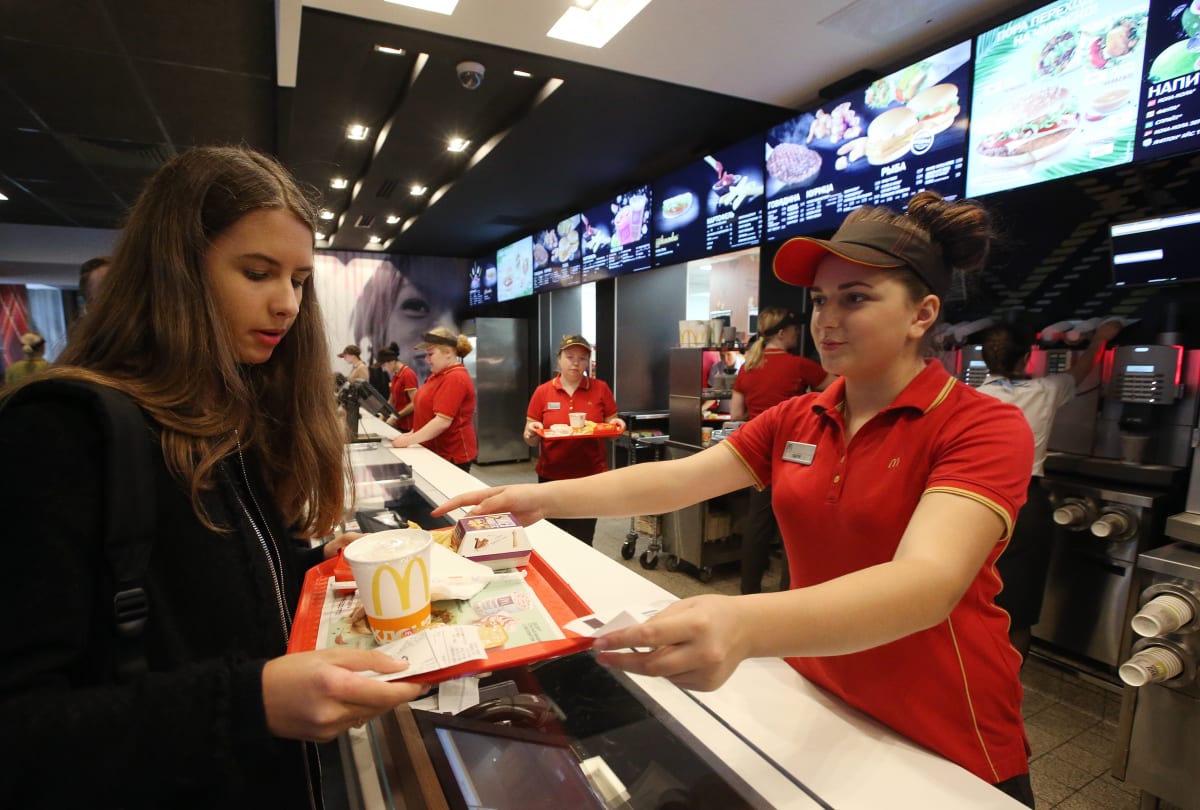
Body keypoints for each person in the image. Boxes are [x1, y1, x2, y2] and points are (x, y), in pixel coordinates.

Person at [434, 191, 1037, 806]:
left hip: (944, 730)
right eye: (822, 300)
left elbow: (927, 583)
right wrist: (542, 498)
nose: (827, 319)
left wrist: (744, 623)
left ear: (922, 313)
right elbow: (679, 480)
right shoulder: (800, 417)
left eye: (855, 298)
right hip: (817, 694)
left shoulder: (980, 425)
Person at [0, 146, 426, 808]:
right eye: (257, 272)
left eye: (299, 280)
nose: (286, 304)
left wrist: (313, 567)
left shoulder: (232, 419)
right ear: (174, 271)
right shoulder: (61, 432)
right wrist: (249, 703)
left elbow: (211, 598)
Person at [978, 317, 1124, 664]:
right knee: (1019, 604)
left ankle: (967, 675)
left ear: (984, 358)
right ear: (1026, 357)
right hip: (1024, 503)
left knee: (971, 593)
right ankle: (1005, 691)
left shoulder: (971, 396)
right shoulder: (1047, 389)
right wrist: (1100, 339)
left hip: (977, 500)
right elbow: (1084, 369)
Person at [731, 307, 833, 594]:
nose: (798, 333)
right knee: (793, 523)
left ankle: (748, 590)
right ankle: (791, 592)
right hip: (795, 453)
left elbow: (737, 413)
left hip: (757, 452)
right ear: (781, 332)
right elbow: (837, 391)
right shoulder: (799, 365)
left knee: (758, 521)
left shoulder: (747, 368)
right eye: (794, 330)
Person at [523, 335, 626, 545]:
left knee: (583, 538)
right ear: (559, 360)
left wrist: (617, 426)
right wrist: (531, 434)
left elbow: (610, 426)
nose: (576, 362)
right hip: (552, 476)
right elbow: (531, 438)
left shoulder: (600, 388)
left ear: (588, 362)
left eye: (582, 358)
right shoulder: (543, 392)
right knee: (552, 537)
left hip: (590, 477)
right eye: (569, 357)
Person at [350, 256, 468, 381]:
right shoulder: (397, 377)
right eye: (417, 307)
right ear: (374, 325)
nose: (449, 331)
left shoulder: (454, 380)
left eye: (457, 317)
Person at [390, 326, 477, 471]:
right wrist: (412, 433)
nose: (426, 359)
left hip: (451, 454)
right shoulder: (437, 375)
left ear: (448, 353)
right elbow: (427, 414)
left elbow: (442, 422)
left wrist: (408, 441)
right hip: (434, 450)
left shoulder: (455, 377)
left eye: (430, 354)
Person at [377, 343, 419, 431]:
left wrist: (396, 416)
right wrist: (383, 414)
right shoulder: (395, 376)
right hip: (399, 423)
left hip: (408, 425)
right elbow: (391, 401)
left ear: (392, 361)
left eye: (384, 365)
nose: (383, 369)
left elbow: (415, 403)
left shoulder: (408, 374)